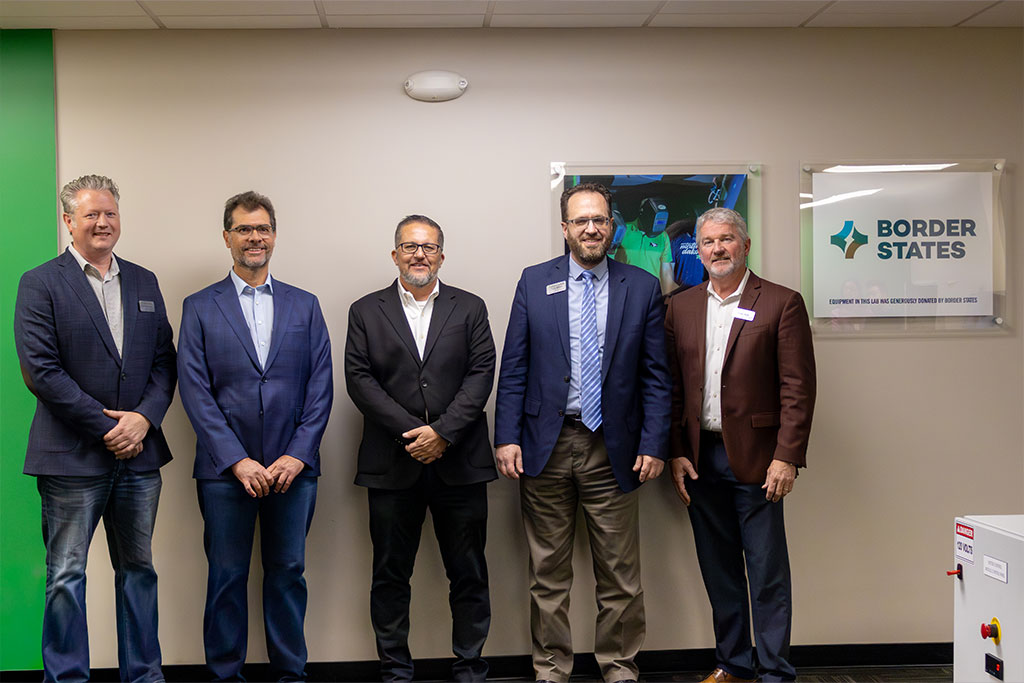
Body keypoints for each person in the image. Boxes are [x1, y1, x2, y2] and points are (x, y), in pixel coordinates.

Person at [494, 182, 671, 683]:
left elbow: (656, 375)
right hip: (543, 448)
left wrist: (654, 442)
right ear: (565, 227)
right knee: (547, 574)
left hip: (612, 449)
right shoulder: (534, 282)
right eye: (581, 221)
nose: (591, 228)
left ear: (611, 225)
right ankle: (551, 670)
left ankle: (618, 668)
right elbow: (515, 368)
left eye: (600, 219)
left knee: (619, 573)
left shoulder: (639, 286)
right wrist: (506, 437)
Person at [14, 174, 176, 682]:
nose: (103, 222)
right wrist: (109, 428)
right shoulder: (40, 282)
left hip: (140, 458)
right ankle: (66, 679)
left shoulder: (145, 281)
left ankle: (143, 676)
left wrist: (144, 419)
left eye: (110, 213)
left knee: (139, 572)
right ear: (68, 221)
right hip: (70, 457)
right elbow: (41, 371)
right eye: (91, 214)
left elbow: (164, 363)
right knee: (66, 576)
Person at [177, 190, 333, 682]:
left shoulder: (305, 306)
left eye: (263, 228)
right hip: (226, 473)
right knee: (226, 577)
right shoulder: (200, 307)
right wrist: (236, 460)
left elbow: (321, 386)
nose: (255, 238)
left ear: (274, 235)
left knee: (288, 574)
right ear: (227, 237)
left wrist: (297, 455)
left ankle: (291, 674)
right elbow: (195, 390)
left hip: (293, 472)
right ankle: (226, 675)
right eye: (244, 229)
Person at [664, 207, 816, 683]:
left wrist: (787, 456)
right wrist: (675, 451)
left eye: (727, 239)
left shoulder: (780, 302)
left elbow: (798, 388)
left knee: (767, 574)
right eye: (708, 242)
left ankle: (774, 671)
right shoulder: (680, 306)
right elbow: (668, 387)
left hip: (759, 460)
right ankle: (732, 663)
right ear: (698, 249)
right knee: (719, 570)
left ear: (745, 245)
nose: (717, 249)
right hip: (699, 459)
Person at [345, 215, 496, 681]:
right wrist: (415, 434)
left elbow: (481, 374)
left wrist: (443, 433)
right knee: (390, 576)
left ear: (442, 256)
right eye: (410, 247)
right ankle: (395, 671)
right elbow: (359, 380)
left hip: (460, 463)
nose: (419, 255)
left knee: (469, 573)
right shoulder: (366, 310)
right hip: (393, 463)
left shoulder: (469, 307)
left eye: (429, 247)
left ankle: (469, 667)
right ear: (394, 255)